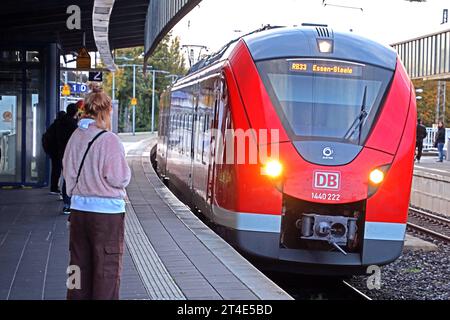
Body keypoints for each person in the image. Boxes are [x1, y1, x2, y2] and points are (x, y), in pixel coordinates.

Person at [63, 85, 131, 300]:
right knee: (106, 270)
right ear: (107, 111)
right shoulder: (109, 140)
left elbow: (68, 172)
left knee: (77, 267)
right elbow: (119, 178)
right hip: (106, 215)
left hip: (79, 212)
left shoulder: (75, 136)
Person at [55, 104, 79, 214]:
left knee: (65, 176)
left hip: (60, 151)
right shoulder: (74, 126)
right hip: (70, 153)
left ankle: (66, 202)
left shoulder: (59, 122)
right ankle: (69, 202)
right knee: (70, 177)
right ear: (75, 112)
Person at [42, 111, 66, 194]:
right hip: (59, 151)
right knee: (59, 170)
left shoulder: (53, 125)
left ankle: (54, 187)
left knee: (55, 169)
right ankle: (56, 188)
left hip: (53, 151)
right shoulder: (61, 126)